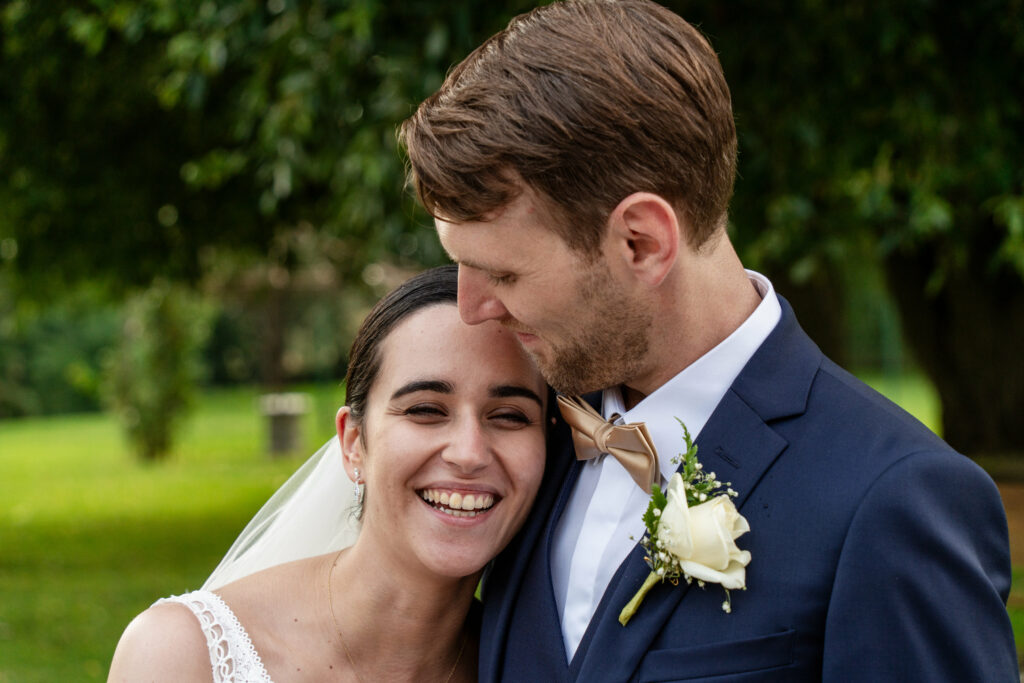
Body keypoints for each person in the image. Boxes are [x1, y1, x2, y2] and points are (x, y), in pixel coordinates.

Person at [400, 1, 1018, 681]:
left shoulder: (893, 501)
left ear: (642, 242)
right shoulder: (519, 445)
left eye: (502, 272)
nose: (471, 308)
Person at [108, 265, 550, 682]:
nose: (469, 453)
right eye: (426, 410)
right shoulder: (182, 655)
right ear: (353, 442)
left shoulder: (535, 669)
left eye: (510, 416)